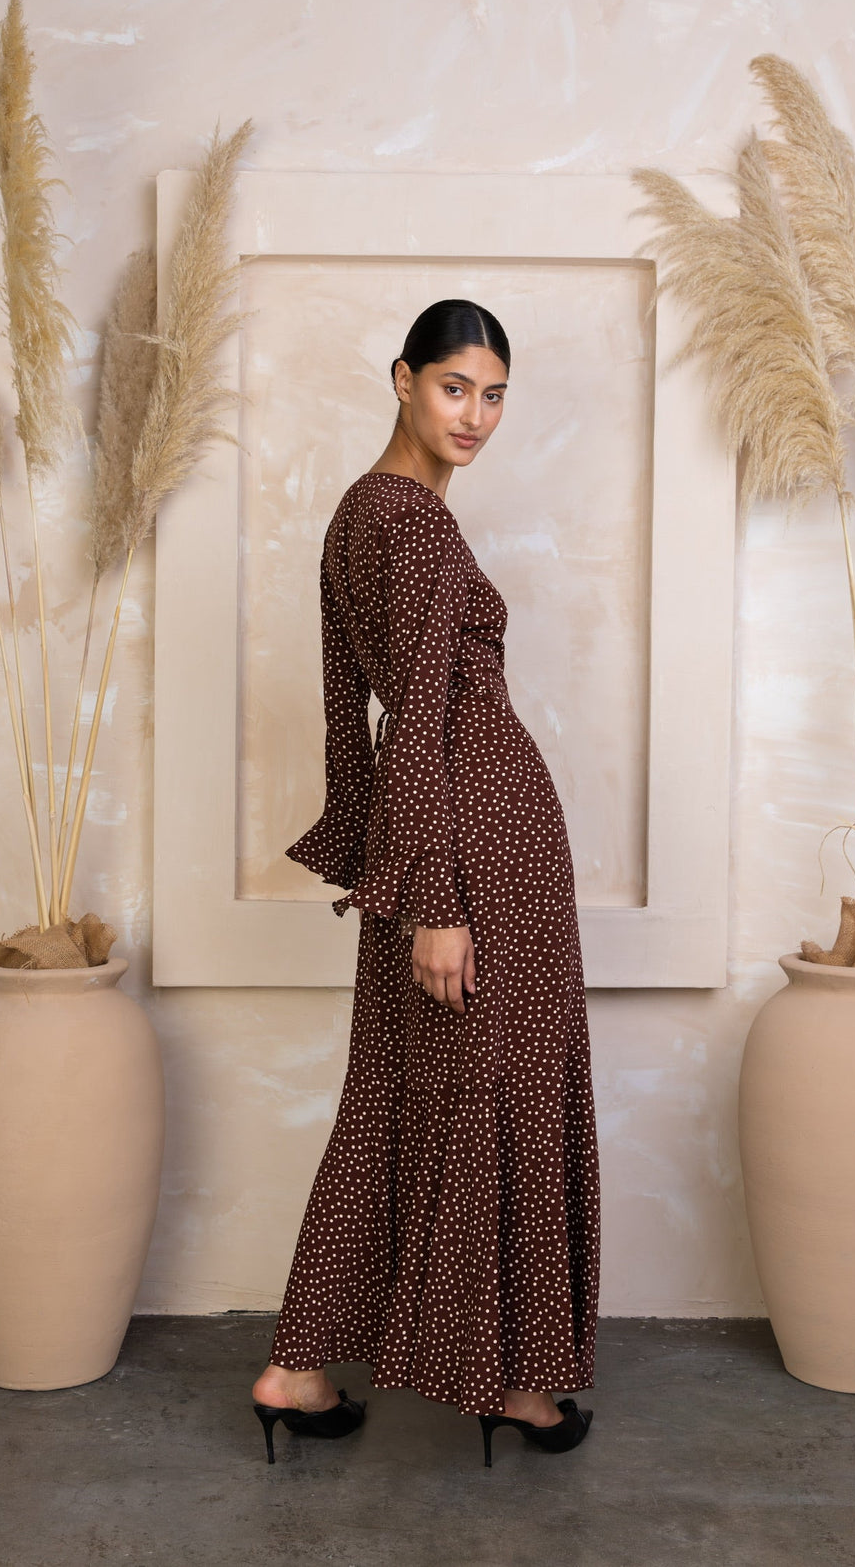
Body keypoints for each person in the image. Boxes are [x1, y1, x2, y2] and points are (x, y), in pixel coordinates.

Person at [251, 299, 601, 1468]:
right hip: (472, 863)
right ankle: (512, 1388)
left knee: (395, 1103)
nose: (477, 416)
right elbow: (413, 732)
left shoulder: (362, 514)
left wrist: (386, 871)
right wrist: (439, 903)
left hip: (437, 851)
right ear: (403, 380)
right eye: (456, 387)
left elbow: (353, 717)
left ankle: (297, 1370)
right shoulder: (408, 527)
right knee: (490, 1100)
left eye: (495, 394)